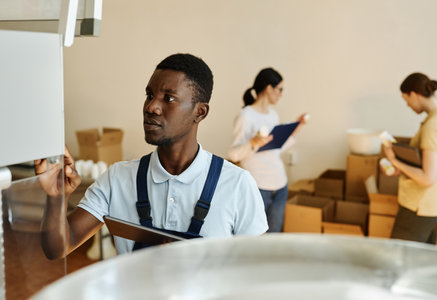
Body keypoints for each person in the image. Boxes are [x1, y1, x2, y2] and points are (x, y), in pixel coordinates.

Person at [35, 53, 268, 259]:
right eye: (149, 95)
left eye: (168, 98)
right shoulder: (117, 178)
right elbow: (57, 248)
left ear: (200, 112)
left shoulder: (237, 184)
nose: (151, 107)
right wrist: (56, 198)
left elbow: (256, 272)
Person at [228, 68, 308, 232]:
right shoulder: (246, 116)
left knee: (273, 238)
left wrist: (293, 131)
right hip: (258, 186)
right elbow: (234, 154)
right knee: (252, 235)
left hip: (280, 184)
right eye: (280, 89)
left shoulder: (273, 115)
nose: (281, 94)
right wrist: (254, 142)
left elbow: (274, 149)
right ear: (269, 88)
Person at [383, 72, 437, 243]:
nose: (407, 105)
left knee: (398, 259)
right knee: (422, 261)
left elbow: (428, 178)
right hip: (430, 205)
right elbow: (429, 167)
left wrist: (394, 159)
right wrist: (401, 169)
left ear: (414, 94)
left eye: (406, 100)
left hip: (418, 206)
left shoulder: (433, 126)